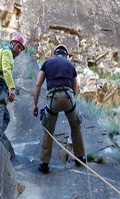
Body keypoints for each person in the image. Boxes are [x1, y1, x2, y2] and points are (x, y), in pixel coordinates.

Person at [32, 44, 86, 174]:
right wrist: (71, 101)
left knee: (48, 130)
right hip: (68, 97)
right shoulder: (70, 65)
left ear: (54, 53)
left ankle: (44, 164)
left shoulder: (47, 63)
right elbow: (75, 87)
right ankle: (80, 158)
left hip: (53, 98)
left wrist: (35, 105)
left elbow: (38, 84)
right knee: (75, 125)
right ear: (66, 55)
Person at [0, 32, 27, 141]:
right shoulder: (7, 52)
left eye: (21, 49)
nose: (19, 51)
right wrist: (12, 89)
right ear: (12, 43)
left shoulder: (1, 51)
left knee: (5, 117)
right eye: (18, 47)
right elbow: (6, 70)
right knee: (0, 106)